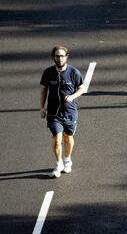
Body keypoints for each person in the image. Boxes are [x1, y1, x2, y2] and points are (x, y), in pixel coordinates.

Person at [40, 46, 85, 178]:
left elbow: (81, 89)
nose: (60, 58)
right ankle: (58, 163)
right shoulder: (48, 72)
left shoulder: (73, 72)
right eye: (57, 56)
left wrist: (72, 97)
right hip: (53, 113)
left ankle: (67, 160)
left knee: (68, 137)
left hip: (69, 112)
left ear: (67, 56)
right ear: (53, 57)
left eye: (62, 56)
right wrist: (42, 108)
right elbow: (43, 90)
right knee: (57, 137)